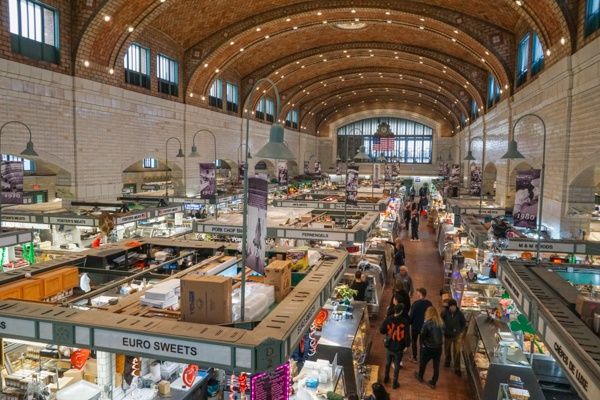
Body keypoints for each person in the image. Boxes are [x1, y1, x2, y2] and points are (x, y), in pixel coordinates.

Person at [414, 306, 445, 389]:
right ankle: (433, 382)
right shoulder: (440, 322)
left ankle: (420, 376)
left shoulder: (427, 323)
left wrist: (422, 345)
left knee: (423, 362)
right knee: (436, 366)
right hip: (438, 347)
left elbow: (422, 334)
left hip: (428, 347)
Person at [380, 303, 409, 389]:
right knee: (396, 365)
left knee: (388, 362)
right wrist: (407, 345)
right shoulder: (404, 322)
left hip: (389, 345)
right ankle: (394, 383)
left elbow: (382, 330)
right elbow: (407, 335)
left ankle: (386, 377)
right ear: (401, 311)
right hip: (399, 347)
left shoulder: (388, 320)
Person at [441, 299, 467, 376]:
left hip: (457, 335)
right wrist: (443, 331)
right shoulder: (444, 313)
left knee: (457, 351)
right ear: (449, 307)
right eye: (451, 306)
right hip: (448, 335)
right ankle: (447, 361)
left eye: (454, 306)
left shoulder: (460, 314)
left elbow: (463, 324)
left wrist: (461, 332)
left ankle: (457, 368)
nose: (453, 308)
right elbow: (441, 322)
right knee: (447, 349)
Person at [408, 288, 433, 363]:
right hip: (425, 327)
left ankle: (414, 357)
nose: (417, 293)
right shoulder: (429, 303)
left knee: (414, 341)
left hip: (415, 326)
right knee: (422, 342)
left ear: (420, 294)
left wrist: (409, 322)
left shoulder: (415, 303)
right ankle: (422, 357)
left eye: (418, 292)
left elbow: (411, 315)